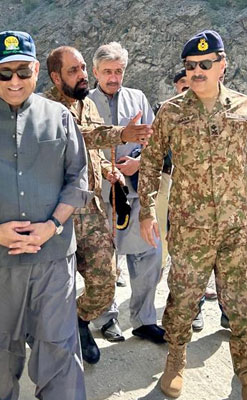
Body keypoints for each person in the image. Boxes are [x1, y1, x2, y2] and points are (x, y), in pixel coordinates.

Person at [0, 31, 89, 399]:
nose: (14, 82)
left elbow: (78, 179)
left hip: (52, 261)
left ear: (36, 70)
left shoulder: (60, 117)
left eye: (23, 72)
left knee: (59, 352)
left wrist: (52, 226)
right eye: (5, 74)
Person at [139, 30, 247, 399]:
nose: (197, 71)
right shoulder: (171, 112)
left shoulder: (245, 108)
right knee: (183, 299)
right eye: (191, 66)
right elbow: (151, 163)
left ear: (222, 65)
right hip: (190, 228)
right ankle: (176, 358)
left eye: (205, 64)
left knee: (242, 304)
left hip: (236, 228)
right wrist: (147, 210)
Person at [42, 45, 153, 364]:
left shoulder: (85, 103)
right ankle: (53, 342)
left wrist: (108, 169)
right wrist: (122, 134)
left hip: (90, 210)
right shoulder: (43, 106)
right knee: (53, 287)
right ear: (55, 76)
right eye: (73, 70)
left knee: (104, 280)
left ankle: (79, 320)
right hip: (54, 213)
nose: (82, 75)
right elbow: (75, 134)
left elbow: (89, 150)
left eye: (82, 69)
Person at [87, 41, 165, 345]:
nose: (114, 77)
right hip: (100, 197)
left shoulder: (138, 99)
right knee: (104, 261)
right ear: (95, 71)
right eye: (107, 71)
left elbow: (154, 142)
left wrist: (139, 163)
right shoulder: (85, 103)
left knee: (149, 254)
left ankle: (144, 319)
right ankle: (105, 317)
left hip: (135, 194)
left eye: (118, 71)